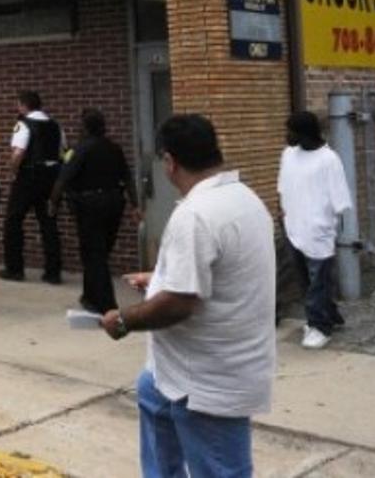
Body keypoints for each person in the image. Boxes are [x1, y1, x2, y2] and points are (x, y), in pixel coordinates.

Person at [101, 114, 275, 478]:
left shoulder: (195, 215)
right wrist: (159, 278)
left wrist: (124, 320)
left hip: (205, 383)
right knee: (149, 392)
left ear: (169, 161)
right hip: (175, 371)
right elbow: (224, 270)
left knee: (221, 470)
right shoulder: (244, 199)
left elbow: (179, 304)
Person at [50, 109, 139, 314]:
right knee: (100, 252)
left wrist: (53, 203)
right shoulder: (115, 148)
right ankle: (90, 296)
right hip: (115, 202)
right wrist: (135, 205)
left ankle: (107, 305)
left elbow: (63, 178)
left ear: (85, 128)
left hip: (90, 205)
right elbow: (127, 177)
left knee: (94, 254)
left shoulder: (81, 149)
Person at [277, 110, 352, 350]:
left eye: (291, 131)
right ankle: (329, 315)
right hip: (292, 227)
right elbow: (283, 187)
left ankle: (320, 326)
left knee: (318, 282)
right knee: (304, 281)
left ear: (304, 133)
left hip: (318, 231)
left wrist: (326, 225)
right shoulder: (288, 154)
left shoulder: (328, 159)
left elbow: (340, 200)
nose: (287, 136)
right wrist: (282, 213)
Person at [0, 91, 65, 284]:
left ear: (23, 105)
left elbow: (18, 152)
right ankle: (53, 273)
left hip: (29, 176)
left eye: (18, 105)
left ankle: (14, 269)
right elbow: (63, 152)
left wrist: (12, 171)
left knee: (13, 220)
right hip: (51, 177)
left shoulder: (23, 124)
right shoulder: (56, 126)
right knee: (49, 223)